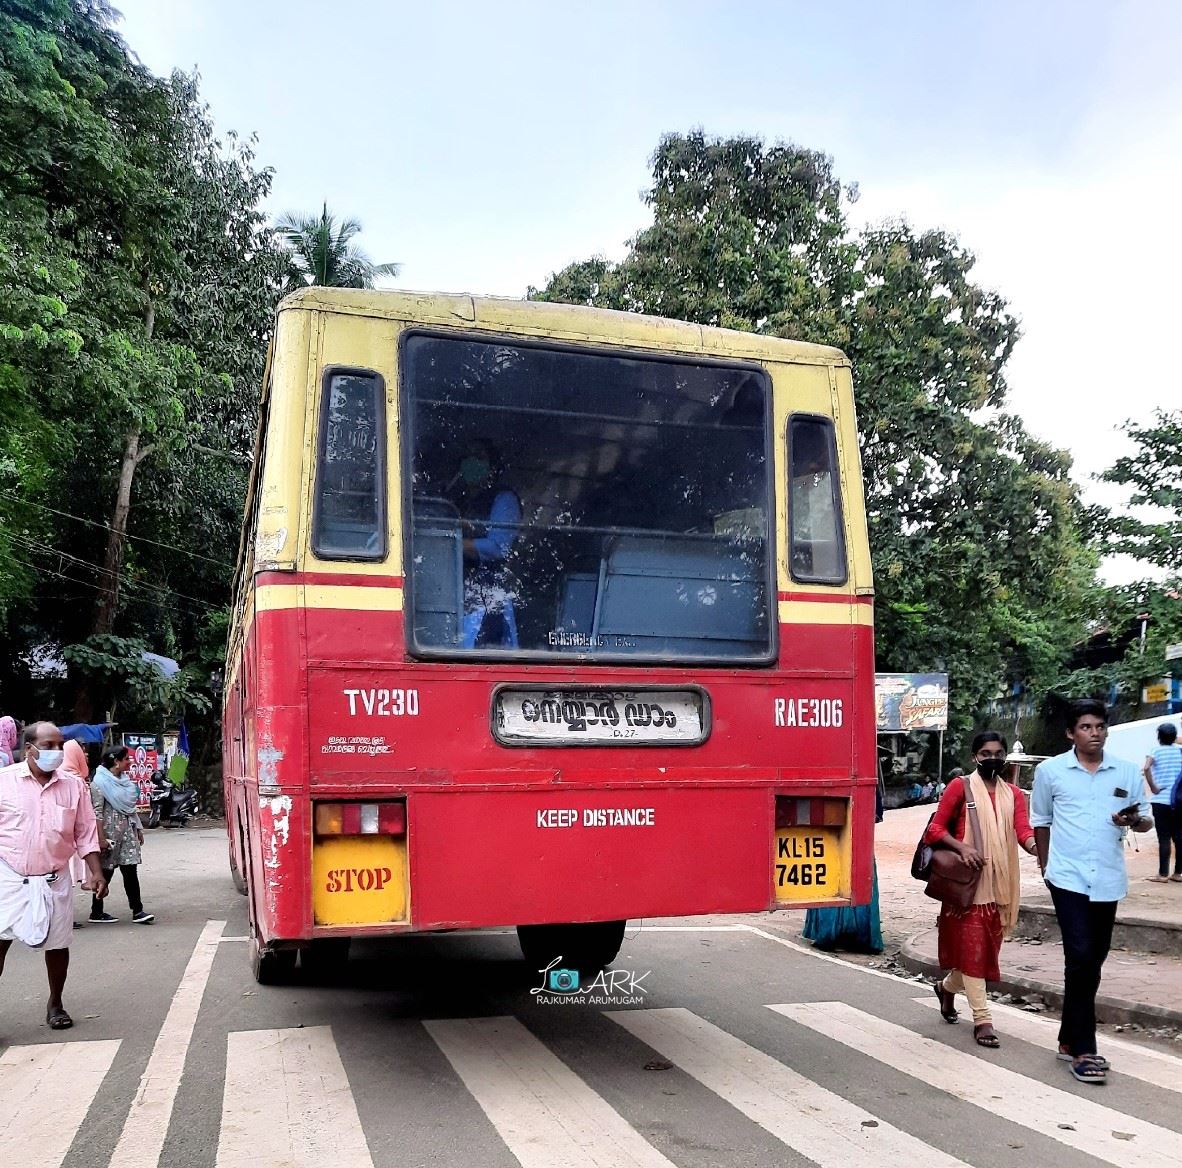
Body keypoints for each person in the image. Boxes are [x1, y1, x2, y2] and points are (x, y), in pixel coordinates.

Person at [1031, 698, 1152, 1084]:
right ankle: (1086, 1049)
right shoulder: (1051, 772)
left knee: (1091, 960)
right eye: (1086, 727)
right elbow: (1041, 820)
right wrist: (1047, 868)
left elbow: (1145, 821)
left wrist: (1133, 820)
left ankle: (1069, 1037)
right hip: (1066, 877)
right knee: (1080, 953)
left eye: (1100, 727)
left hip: (1108, 879)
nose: (1094, 734)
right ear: (1071, 733)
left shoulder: (1127, 771)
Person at [927, 732, 1036, 1049]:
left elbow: (1023, 830)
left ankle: (947, 988)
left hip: (1001, 886)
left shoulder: (1014, 794)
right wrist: (961, 847)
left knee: (980, 954)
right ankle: (983, 1020)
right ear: (975, 757)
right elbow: (935, 829)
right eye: (986, 753)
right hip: (968, 886)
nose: (993, 758)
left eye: (999, 753)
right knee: (974, 952)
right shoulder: (960, 787)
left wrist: (1037, 848)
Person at [0, 722, 106, 1028]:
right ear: (28, 748)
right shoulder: (5, 782)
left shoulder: (74, 786)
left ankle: (55, 1003)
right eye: (48, 746)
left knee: (58, 944)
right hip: (9, 876)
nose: (56, 752)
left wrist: (96, 872)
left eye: (60, 745)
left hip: (53, 876)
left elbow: (85, 833)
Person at [447, 440, 522, 649]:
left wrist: (454, 545)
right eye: (468, 457)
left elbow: (498, 547)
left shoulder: (504, 499)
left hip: (489, 597)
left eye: (479, 457)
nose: (471, 462)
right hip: (462, 592)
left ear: (493, 467)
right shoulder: (461, 500)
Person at [803, 782, 884, 953]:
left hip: (827, 793)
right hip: (862, 793)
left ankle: (828, 931)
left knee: (828, 856)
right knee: (859, 858)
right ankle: (863, 933)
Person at [89, 746, 154, 925]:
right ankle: (96, 911)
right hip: (109, 835)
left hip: (126, 833)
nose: (129, 762)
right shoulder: (99, 783)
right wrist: (100, 839)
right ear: (116, 761)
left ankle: (138, 911)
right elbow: (97, 813)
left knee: (130, 871)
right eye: (126, 759)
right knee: (106, 873)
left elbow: (130, 810)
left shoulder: (125, 781)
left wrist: (137, 829)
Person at [1142, 722, 1182, 883]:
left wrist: (1153, 787)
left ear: (1159, 736)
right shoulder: (1180, 751)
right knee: (1179, 836)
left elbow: (1146, 768)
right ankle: (1178, 873)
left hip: (1160, 800)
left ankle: (1163, 873)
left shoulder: (1155, 750)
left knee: (1164, 837)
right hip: (1178, 800)